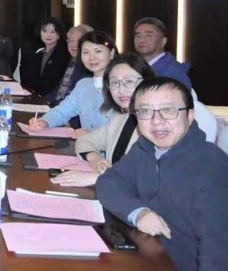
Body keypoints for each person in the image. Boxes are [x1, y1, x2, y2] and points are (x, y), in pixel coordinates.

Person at [96, 77, 228, 271]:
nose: (157, 121)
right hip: (143, 260)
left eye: (168, 110)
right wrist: (139, 213)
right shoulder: (145, 148)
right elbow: (109, 182)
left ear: (190, 116)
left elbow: (218, 251)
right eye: (145, 111)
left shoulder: (212, 166)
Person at [51, 53, 154, 188]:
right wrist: (95, 159)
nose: (121, 89)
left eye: (129, 81)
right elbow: (86, 140)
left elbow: (151, 178)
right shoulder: (122, 117)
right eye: (114, 83)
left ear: (147, 82)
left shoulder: (158, 124)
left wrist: (97, 178)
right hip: (111, 192)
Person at [29, 30, 117, 135]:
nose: (91, 57)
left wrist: (90, 135)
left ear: (111, 53)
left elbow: (122, 132)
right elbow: (62, 111)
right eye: (86, 52)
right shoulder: (83, 85)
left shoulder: (122, 87)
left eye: (98, 51)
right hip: (84, 144)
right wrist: (44, 121)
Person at [133, 17, 192, 89]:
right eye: (138, 35)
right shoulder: (132, 67)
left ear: (163, 41)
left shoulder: (175, 73)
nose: (141, 40)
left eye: (149, 36)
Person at [19, 17, 70, 96]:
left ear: (59, 35)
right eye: (44, 31)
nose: (48, 35)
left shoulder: (64, 54)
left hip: (52, 97)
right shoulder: (36, 51)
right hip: (33, 95)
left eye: (52, 32)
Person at [45, 24, 94, 107]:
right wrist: (45, 101)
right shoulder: (72, 60)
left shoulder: (91, 66)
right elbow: (61, 87)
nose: (74, 44)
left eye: (78, 40)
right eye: (71, 40)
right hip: (57, 106)